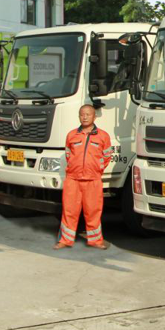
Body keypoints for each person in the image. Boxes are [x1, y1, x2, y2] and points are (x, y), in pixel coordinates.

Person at [55, 103, 114, 250]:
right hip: (73, 180)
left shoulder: (103, 136)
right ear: (79, 116)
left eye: (88, 114)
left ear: (94, 116)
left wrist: (97, 168)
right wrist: (75, 167)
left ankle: (95, 241)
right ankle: (65, 240)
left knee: (93, 211)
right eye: (82, 114)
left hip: (93, 180)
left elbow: (107, 156)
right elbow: (68, 155)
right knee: (69, 211)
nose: (85, 117)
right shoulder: (71, 135)